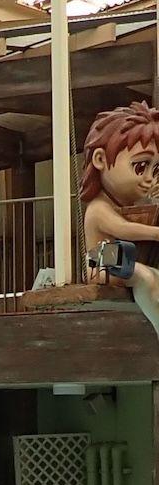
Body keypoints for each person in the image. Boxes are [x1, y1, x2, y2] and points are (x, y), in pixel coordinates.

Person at [82, 101, 159, 335]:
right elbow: (122, 229)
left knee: (154, 275)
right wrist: (155, 233)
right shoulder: (98, 207)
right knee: (145, 276)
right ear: (100, 160)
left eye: (156, 170)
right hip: (100, 260)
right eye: (140, 166)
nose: (149, 178)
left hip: (121, 256)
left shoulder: (123, 205)